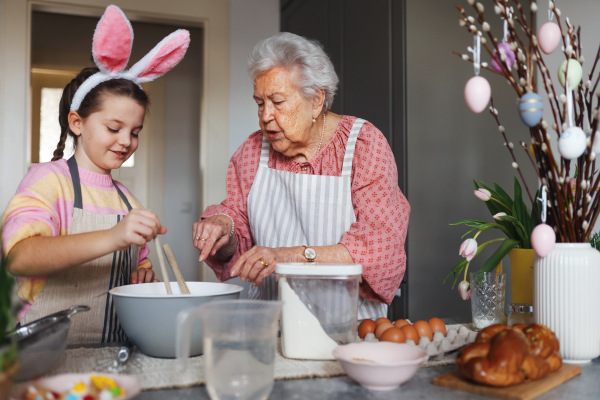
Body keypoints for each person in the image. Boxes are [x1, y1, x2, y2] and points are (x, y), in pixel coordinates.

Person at [1, 5, 190, 344]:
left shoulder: (129, 202)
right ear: (77, 123)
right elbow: (19, 257)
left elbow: (136, 270)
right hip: (43, 357)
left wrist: (140, 279)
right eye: (114, 127)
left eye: (135, 131)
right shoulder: (48, 181)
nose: (126, 141)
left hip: (111, 349)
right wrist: (113, 237)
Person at [193, 32, 410, 319]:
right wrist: (223, 228)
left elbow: (378, 246)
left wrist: (285, 257)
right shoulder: (252, 151)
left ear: (316, 100)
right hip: (273, 323)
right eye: (260, 102)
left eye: (277, 101)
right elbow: (239, 235)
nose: (266, 115)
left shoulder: (363, 146)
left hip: (349, 326)